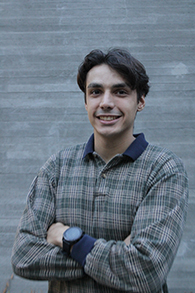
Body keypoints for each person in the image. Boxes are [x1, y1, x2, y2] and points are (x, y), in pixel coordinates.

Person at [11, 48, 188, 293]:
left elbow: (146, 272)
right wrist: (119, 255)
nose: (106, 103)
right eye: (95, 92)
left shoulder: (163, 169)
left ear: (141, 101)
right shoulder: (57, 167)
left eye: (120, 92)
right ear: (85, 102)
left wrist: (69, 240)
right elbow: (24, 257)